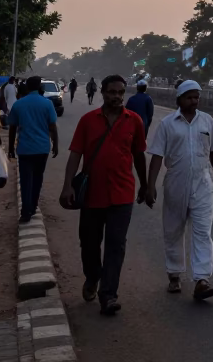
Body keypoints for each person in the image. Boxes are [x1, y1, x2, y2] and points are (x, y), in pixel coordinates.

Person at [60, 75, 154, 315]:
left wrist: (145, 185)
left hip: (122, 194)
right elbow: (75, 155)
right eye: (112, 92)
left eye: (121, 92)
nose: (117, 96)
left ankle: (108, 294)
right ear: (102, 92)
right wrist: (67, 185)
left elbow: (139, 155)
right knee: (90, 244)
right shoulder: (88, 121)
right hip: (92, 194)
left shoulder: (133, 121)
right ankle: (92, 277)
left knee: (116, 245)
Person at [146, 79, 213, 300]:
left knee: (202, 232)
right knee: (173, 231)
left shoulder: (207, 122)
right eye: (189, 97)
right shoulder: (168, 124)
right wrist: (150, 186)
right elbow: (157, 157)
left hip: (203, 183)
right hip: (175, 184)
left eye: (196, 97)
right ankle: (174, 274)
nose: (194, 101)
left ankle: (202, 280)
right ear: (179, 99)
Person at [7, 76, 59, 222]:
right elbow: (53, 126)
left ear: (27, 87)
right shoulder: (47, 104)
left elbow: (12, 128)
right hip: (42, 148)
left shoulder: (19, 104)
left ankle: (25, 212)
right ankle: (33, 206)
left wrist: (10, 148)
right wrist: (55, 144)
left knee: (25, 180)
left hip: (25, 148)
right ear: (40, 87)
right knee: (38, 178)